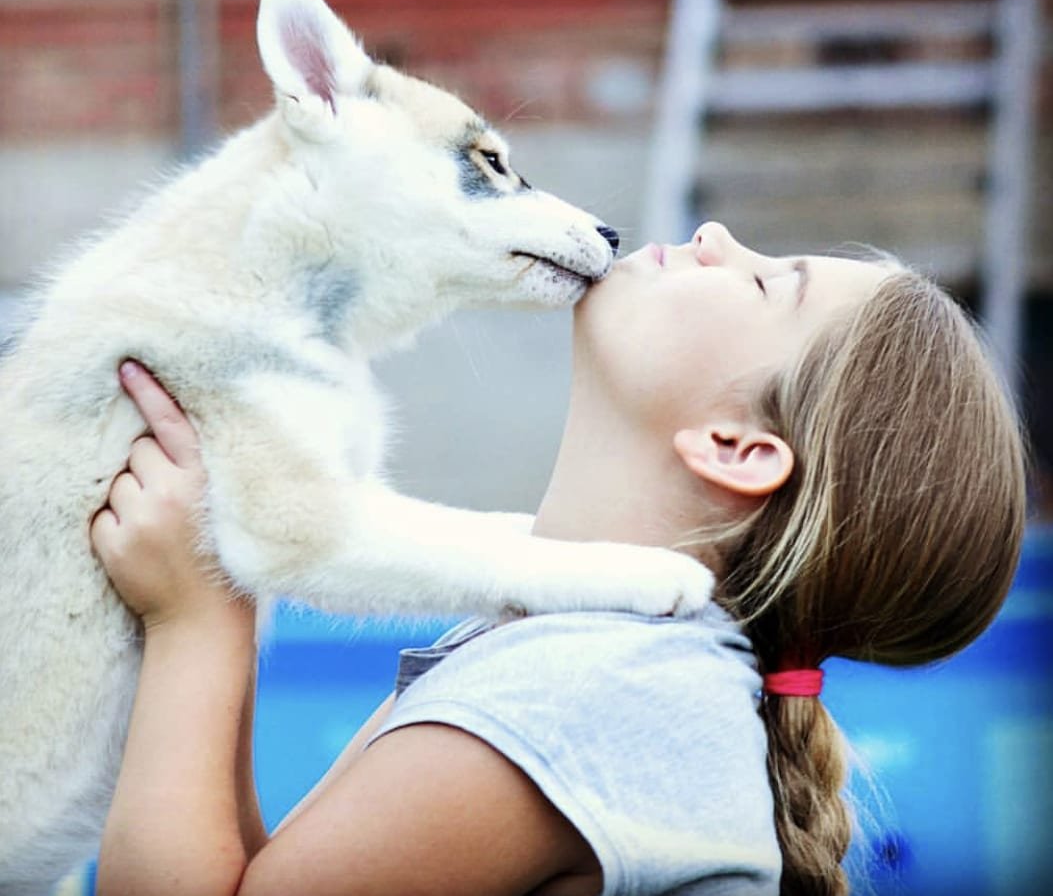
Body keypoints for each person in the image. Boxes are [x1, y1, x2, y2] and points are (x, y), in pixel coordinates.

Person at [89, 222, 1026, 896]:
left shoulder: (591, 697)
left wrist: (194, 620)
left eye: (762, 283)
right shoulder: (576, 662)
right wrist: (233, 574)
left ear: (735, 448)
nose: (713, 236)